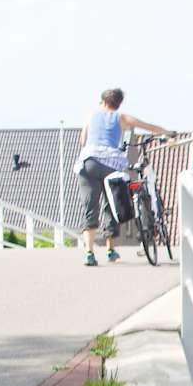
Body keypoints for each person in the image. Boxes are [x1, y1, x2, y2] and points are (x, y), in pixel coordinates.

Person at [75, 88, 173, 267]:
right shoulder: (121, 117)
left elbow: (83, 141)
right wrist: (168, 132)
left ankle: (89, 253)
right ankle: (110, 249)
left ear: (103, 101)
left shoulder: (91, 115)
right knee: (111, 204)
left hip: (88, 162)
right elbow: (149, 127)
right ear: (119, 103)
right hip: (111, 163)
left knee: (90, 206)